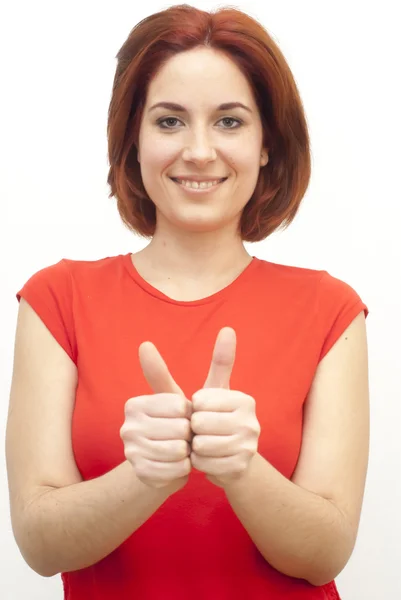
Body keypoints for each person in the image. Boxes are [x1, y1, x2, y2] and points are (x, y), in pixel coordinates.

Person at [6, 4, 370, 600]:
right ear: (132, 141)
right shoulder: (56, 300)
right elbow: (40, 546)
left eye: (229, 122)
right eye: (170, 121)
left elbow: (326, 553)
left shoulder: (330, 311)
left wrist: (243, 471)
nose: (199, 152)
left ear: (267, 146)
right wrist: (143, 479)